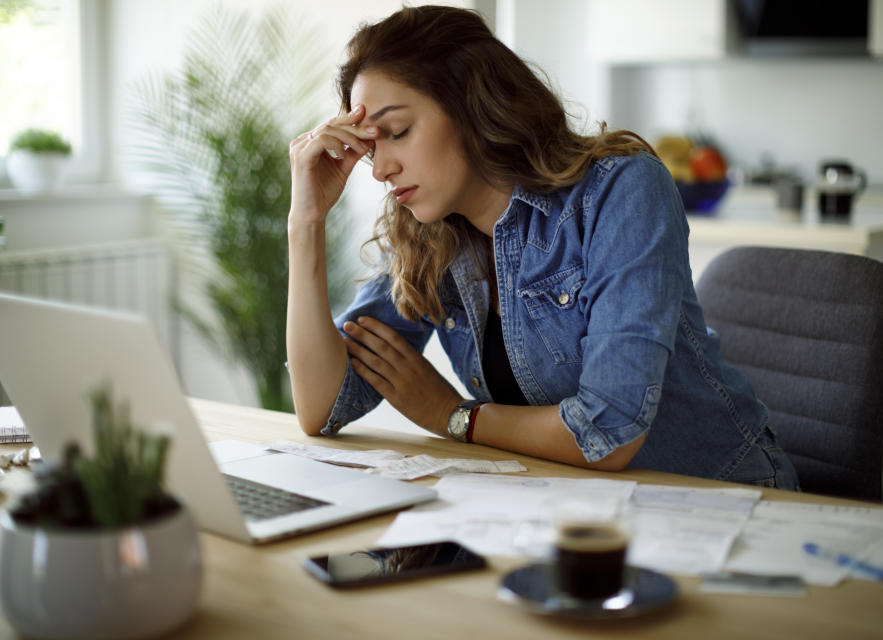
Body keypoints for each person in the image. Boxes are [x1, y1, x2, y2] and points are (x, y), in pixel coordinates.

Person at [285, 5, 799, 489]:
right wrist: (306, 221)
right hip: (566, 508)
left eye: (397, 132)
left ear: (471, 104)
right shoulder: (428, 233)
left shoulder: (621, 191)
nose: (379, 169)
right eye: (372, 146)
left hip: (721, 501)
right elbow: (324, 407)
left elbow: (609, 431)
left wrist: (451, 415)